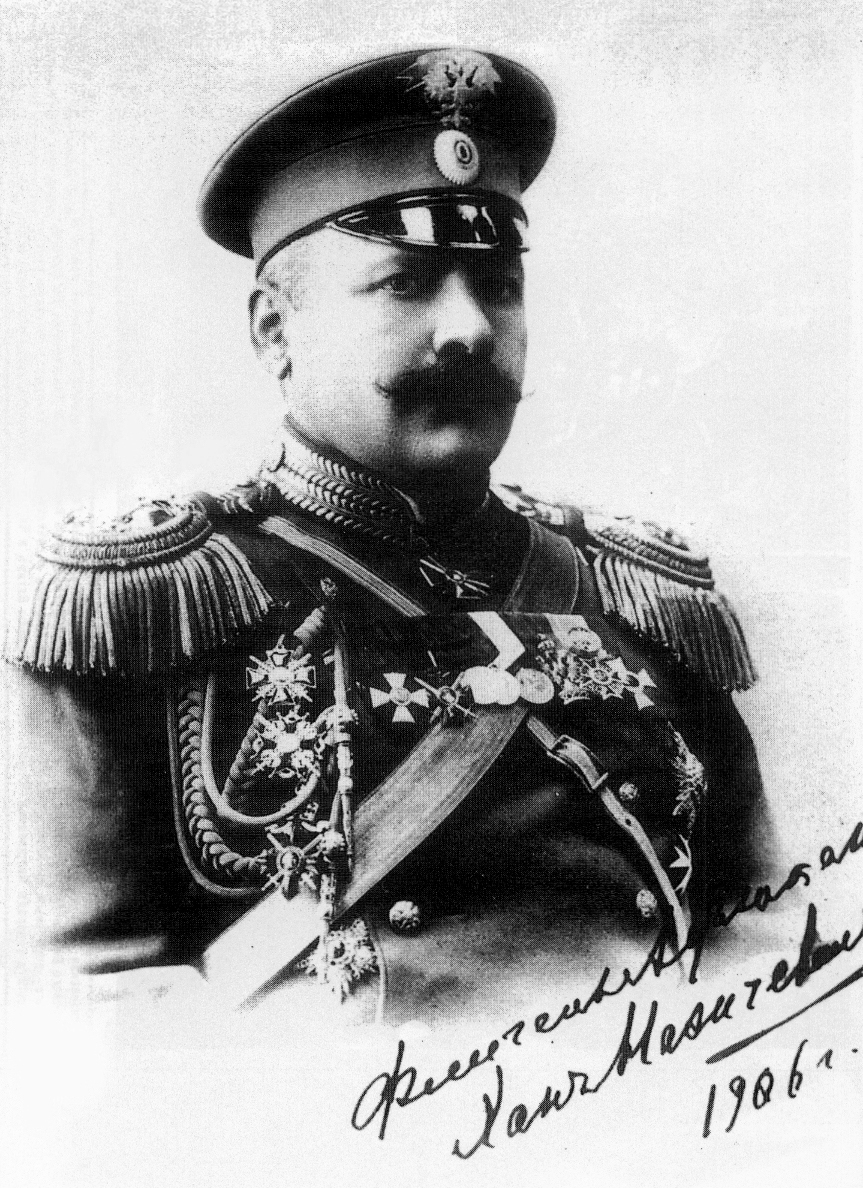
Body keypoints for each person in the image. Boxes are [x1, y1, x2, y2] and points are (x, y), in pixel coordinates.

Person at [2, 48, 763, 1026]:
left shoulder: (637, 596)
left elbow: (768, 957)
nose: (470, 332)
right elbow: (77, 1020)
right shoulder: (137, 609)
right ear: (274, 332)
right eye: (405, 284)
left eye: (498, 286)